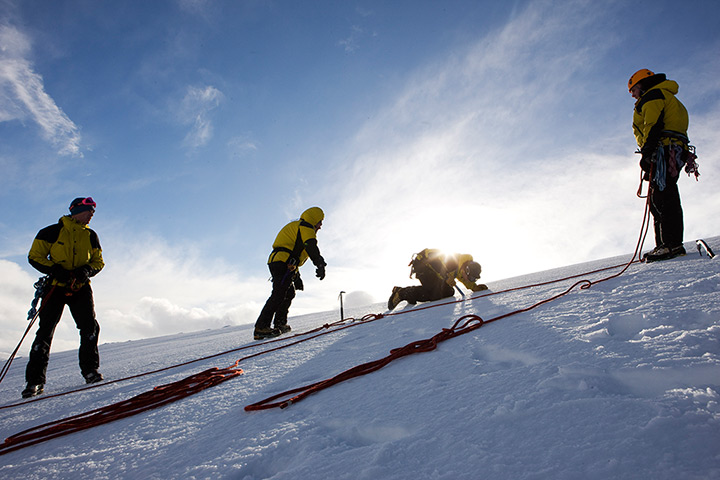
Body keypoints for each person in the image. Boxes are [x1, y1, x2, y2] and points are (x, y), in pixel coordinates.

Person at [22, 197, 105, 398]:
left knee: (89, 327)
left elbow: (98, 261)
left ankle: (90, 371)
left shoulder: (91, 235)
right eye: (89, 210)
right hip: (56, 287)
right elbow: (35, 256)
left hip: (80, 287)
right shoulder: (50, 232)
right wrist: (56, 270)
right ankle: (34, 382)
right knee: (45, 331)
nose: (92, 214)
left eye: (93, 211)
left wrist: (86, 270)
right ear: (77, 210)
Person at [628, 68, 695, 262]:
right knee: (661, 195)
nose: (632, 94)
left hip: (663, 150)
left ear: (642, 85)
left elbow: (653, 124)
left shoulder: (653, 96)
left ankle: (671, 245)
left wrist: (647, 152)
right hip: (672, 150)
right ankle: (666, 244)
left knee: (663, 196)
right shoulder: (666, 95)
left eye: (633, 89)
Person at [253, 207, 326, 340]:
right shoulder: (306, 227)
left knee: (288, 292)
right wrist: (320, 264)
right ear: (314, 219)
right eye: (320, 222)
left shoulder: (299, 227)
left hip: (282, 261)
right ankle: (261, 327)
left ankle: (280, 323)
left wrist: (297, 277)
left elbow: (294, 255)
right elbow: (310, 246)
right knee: (279, 293)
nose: (320, 226)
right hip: (281, 261)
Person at [387, 248, 487, 311]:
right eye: (472, 278)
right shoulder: (453, 261)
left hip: (436, 273)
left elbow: (463, 278)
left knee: (448, 291)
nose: (471, 280)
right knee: (434, 293)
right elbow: (433, 259)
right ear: (467, 270)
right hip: (423, 265)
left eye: (474, 279)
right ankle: (402, 293)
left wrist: (474, 287)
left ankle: (412, 294)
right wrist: (447, 277)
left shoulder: (462, 267)